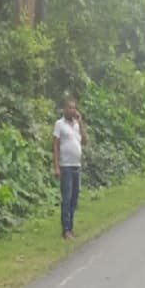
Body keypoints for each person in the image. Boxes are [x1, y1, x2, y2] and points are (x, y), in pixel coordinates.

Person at [53, 99, 87, 239]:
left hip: (76, 166)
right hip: (66, 166)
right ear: (64, 109)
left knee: (74, 198)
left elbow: (84, 141)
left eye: (74, 108)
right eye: (70, 107)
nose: (72, 110)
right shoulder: (59, 124)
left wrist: (80, 122)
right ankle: (66, 229)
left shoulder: (77, 125)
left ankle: (71, 227)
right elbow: (55, 145)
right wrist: (56, 166)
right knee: (66, 198)